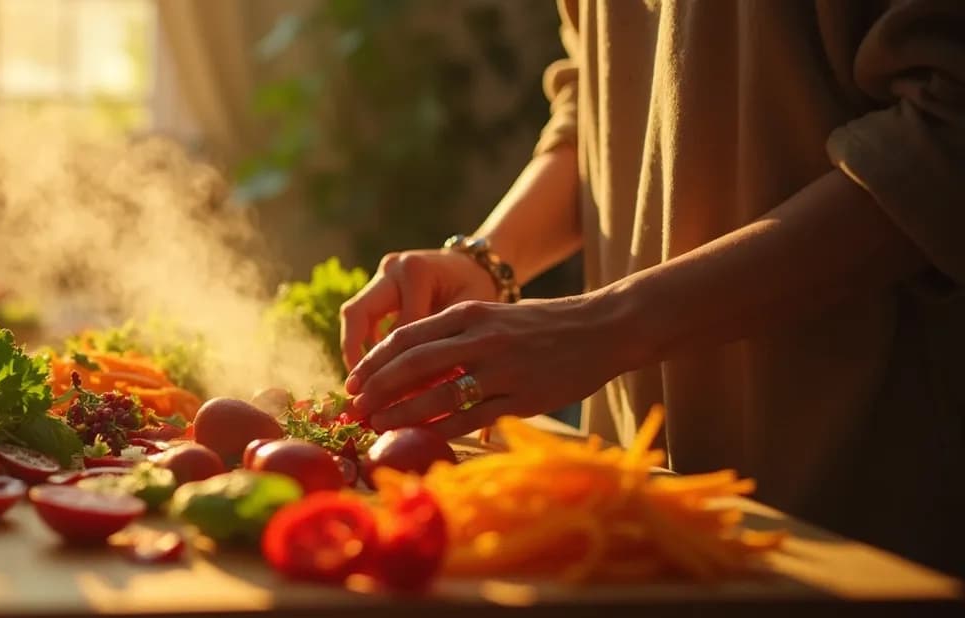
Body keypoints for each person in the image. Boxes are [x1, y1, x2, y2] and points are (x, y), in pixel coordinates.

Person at [338, 0, 964, 578]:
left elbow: (943, 136)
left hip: (869, 515)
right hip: (634, 504)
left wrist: (606, 325)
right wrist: (490, 258)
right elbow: (605, 93)